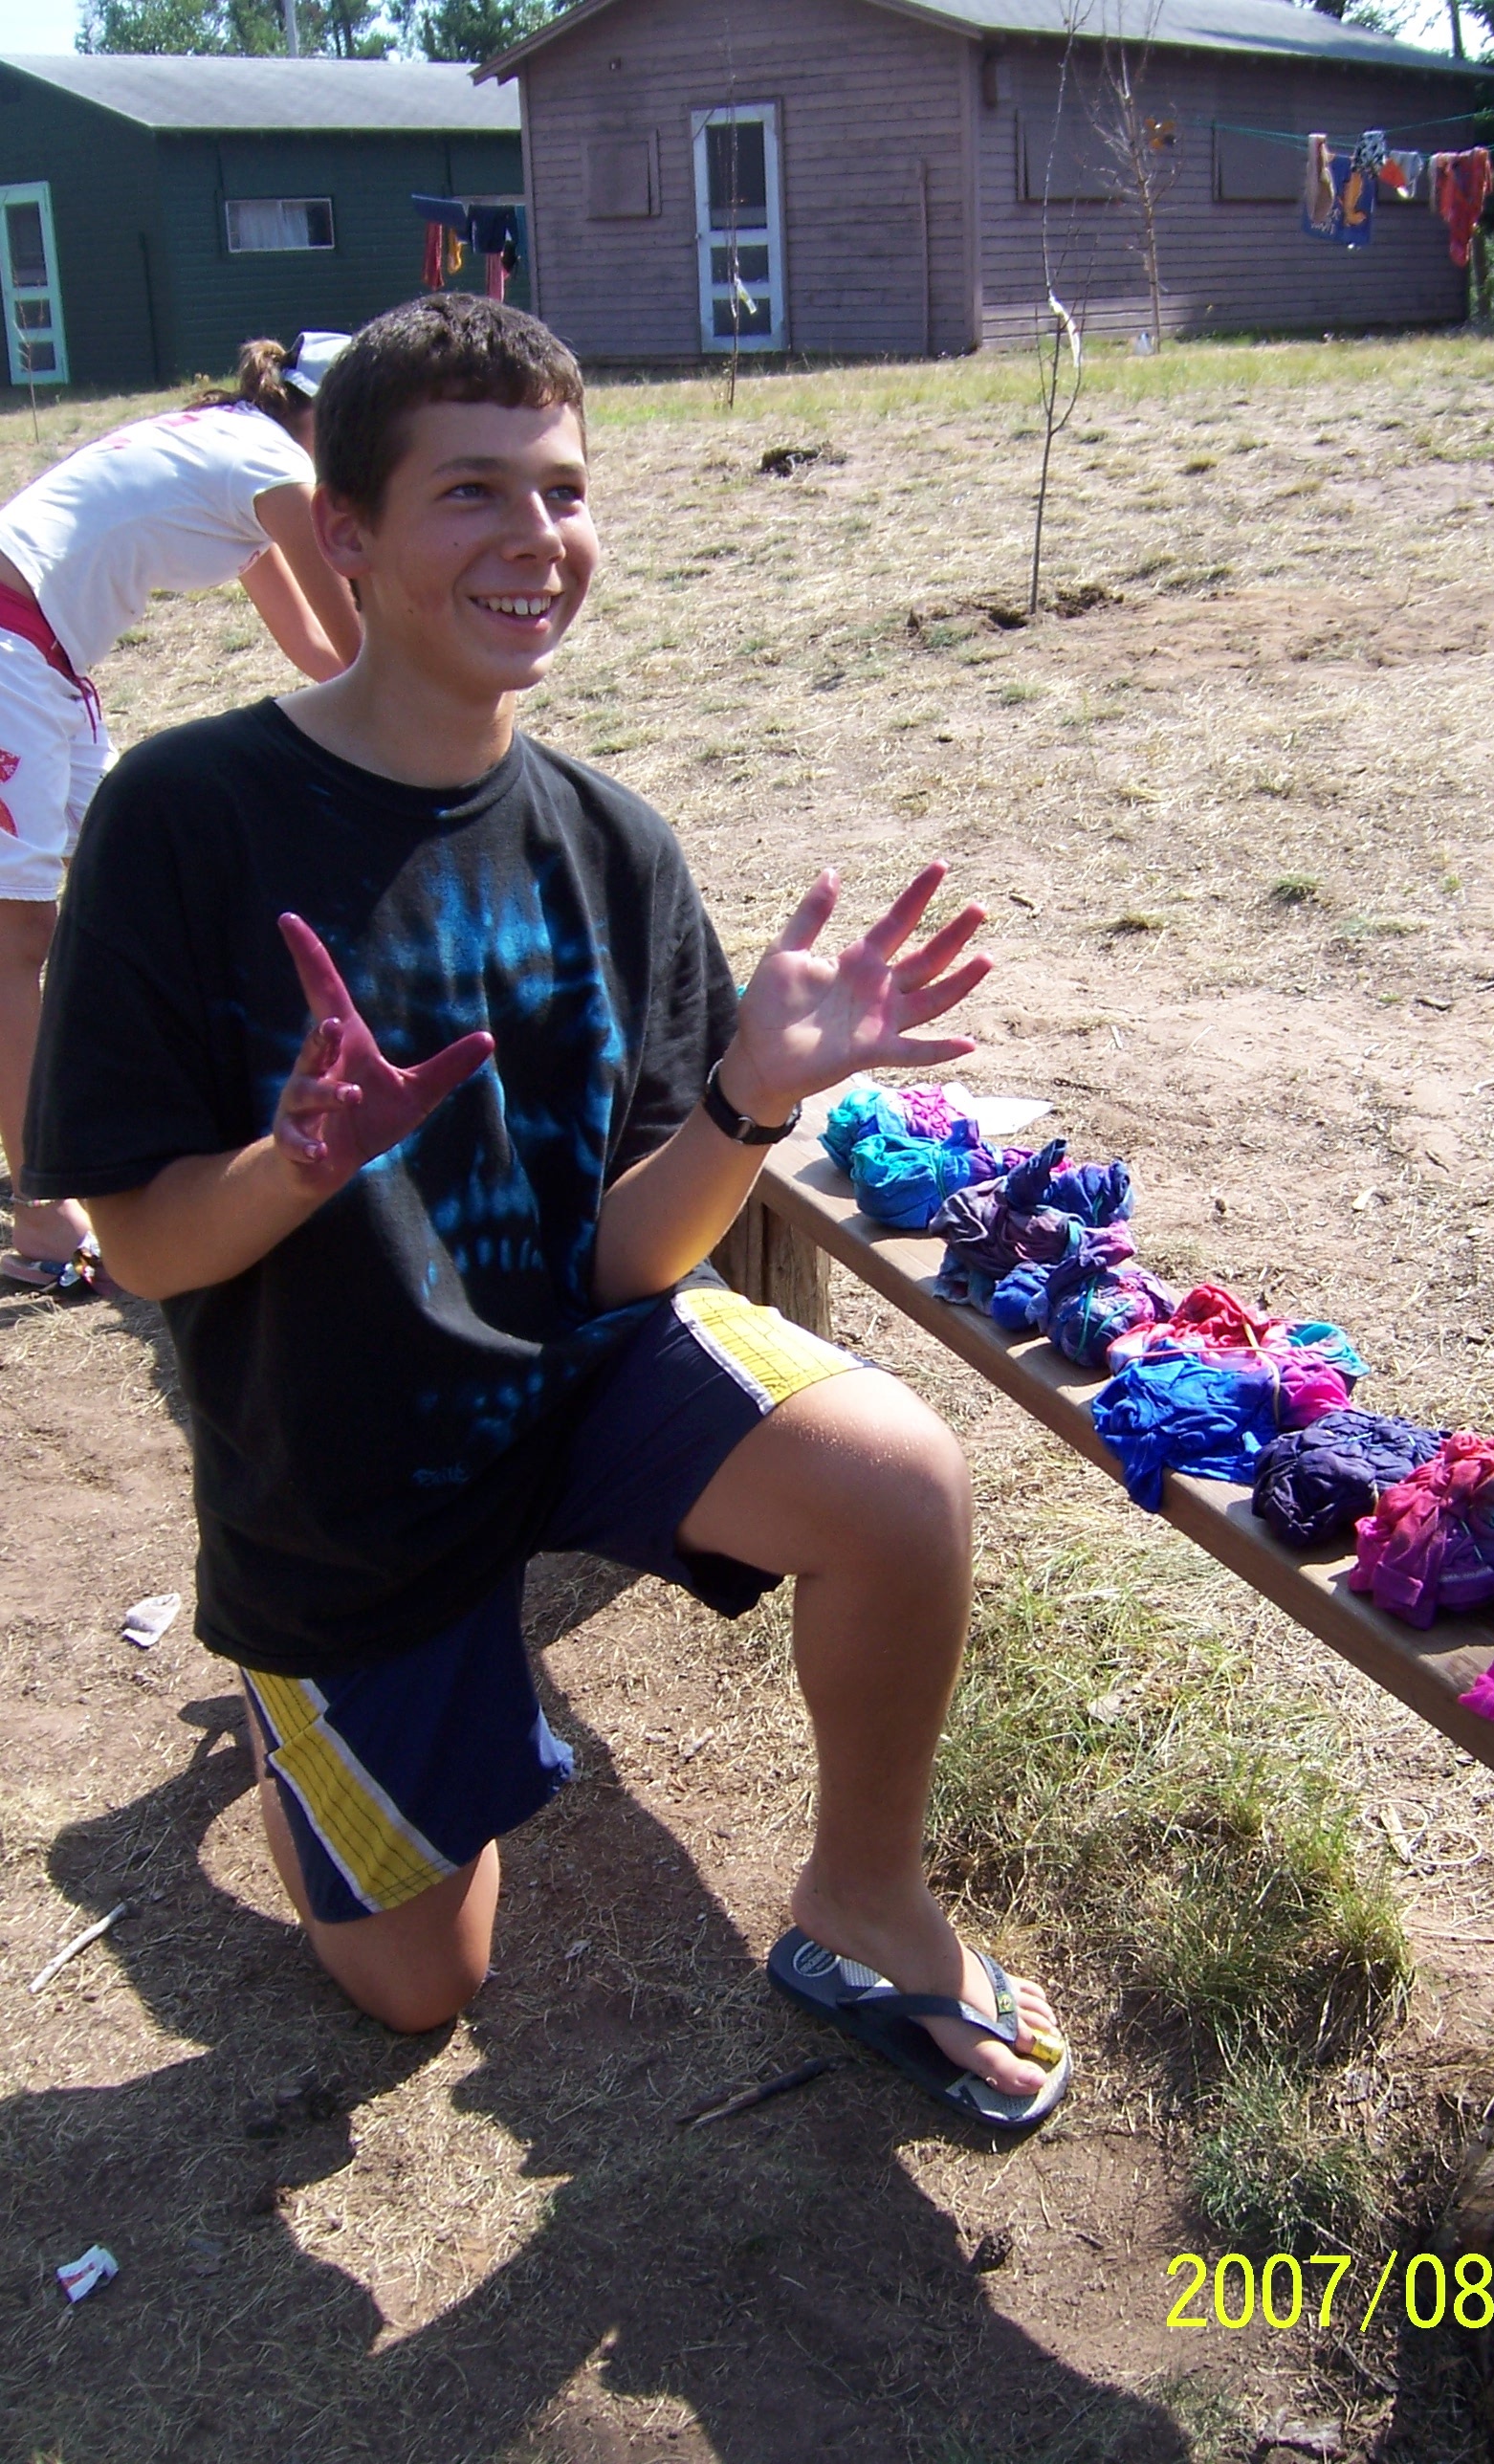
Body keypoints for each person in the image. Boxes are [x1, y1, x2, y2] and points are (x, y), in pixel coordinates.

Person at [21, 296, 1067, 2129]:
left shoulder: (611, 842)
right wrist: (297, 1163)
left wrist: (750, 1097)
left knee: (900, 1480)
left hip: (570, 1378)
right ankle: (293, 1704)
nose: (535, 537)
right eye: (471, 492)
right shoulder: (187, 818)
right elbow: (151, 1250)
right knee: (421, 1991)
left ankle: (864, 1903)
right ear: (342, 533)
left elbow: (618, 1261)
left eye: (563, 490)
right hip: (339, 1479)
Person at [0, 330, 364, 1288]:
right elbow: (356, 643)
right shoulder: (273, 463)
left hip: (48, 661)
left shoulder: (238, 449)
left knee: (141, 882)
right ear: (324, 417)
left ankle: (167, 1117)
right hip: (10, 648)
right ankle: (41, 1210)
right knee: (18, 936)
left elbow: (315, 651)